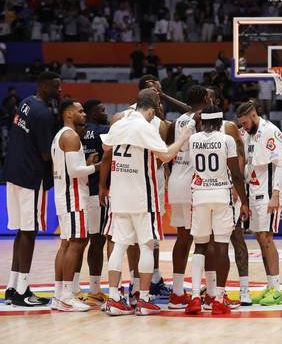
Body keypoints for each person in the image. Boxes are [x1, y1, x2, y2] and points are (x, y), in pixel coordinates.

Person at [101, 89, 191, 316]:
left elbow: (105, 148)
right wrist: (183, 137)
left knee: (119, 245)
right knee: (146, 245)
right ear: (151, 110)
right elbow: (166, 156)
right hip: (143, 198)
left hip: (119, 196)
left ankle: (113, 298)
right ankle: (143, 299)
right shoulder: (145, 127)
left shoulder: (119, 122)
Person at [184, 106, 250, 314]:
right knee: (222, 246)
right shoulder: (227, 140)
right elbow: (236, 174)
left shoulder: (193, 139)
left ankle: (196, 297)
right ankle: (219, 300)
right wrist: (245, 202)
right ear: (220, 121)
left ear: (203, 122)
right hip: (221, 195)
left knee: (200, 247)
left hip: (199, 194)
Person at [3, 71, 61, 307]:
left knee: (20, 230)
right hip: (30, 178)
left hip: (12, 173)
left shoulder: (26, 103)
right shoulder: (44, 114)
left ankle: (12, 286)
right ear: (44, 86)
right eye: (55, 87)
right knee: (29, 231)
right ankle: (23, 290)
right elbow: (47, 154)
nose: (59, 91)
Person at [236, 102, 282, 306]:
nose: (243, 126)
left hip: (268, 193)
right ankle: (269, 286)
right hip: (252, 191)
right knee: (259, 238)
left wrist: (276, 193)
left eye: (245, 122)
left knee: (267, 239)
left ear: (253, 114)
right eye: (241, 123)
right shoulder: (246, 133)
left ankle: (276, 290)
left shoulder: (270, 131)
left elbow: (279, 165)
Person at [202, 87, 251, 306]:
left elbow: (241, 157)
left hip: (230, 190)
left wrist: (235, 187)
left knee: (237, 240)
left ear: (215, 100)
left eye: (208, 95)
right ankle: (212, 291)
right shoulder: (198, 127)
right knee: (210, 244)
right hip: (208, 192)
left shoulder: (229, 126)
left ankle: (244, 289)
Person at [51, 99, 100, 312]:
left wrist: (86, 165)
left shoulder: (61, 135)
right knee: (77, 243)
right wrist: (98, 167)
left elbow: (74, 167)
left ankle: (59, 293)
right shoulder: (70, 136)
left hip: (64, 195)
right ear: (69, 114)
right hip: (73, 197)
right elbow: (74, 171)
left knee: (66, 244)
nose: (84, 114)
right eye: (80, 111)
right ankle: (67, 296)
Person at [167, 85, 209, 310]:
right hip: (194, 183)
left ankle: (176, 291)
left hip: (176, 180)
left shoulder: (178, 121)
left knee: (182, 239)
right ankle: (203, 292)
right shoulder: (202, 119)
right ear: (204, 98)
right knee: (204, 240)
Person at [81, 99, 110, 305]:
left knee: (87, 241)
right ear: (92, 113)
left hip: (84, 190)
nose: (105, 112)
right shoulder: (103, 130)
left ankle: (76, 287)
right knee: (98, 242)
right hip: (98, 192)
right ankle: (94, 289)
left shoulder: (78, 132)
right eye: (101, 110)